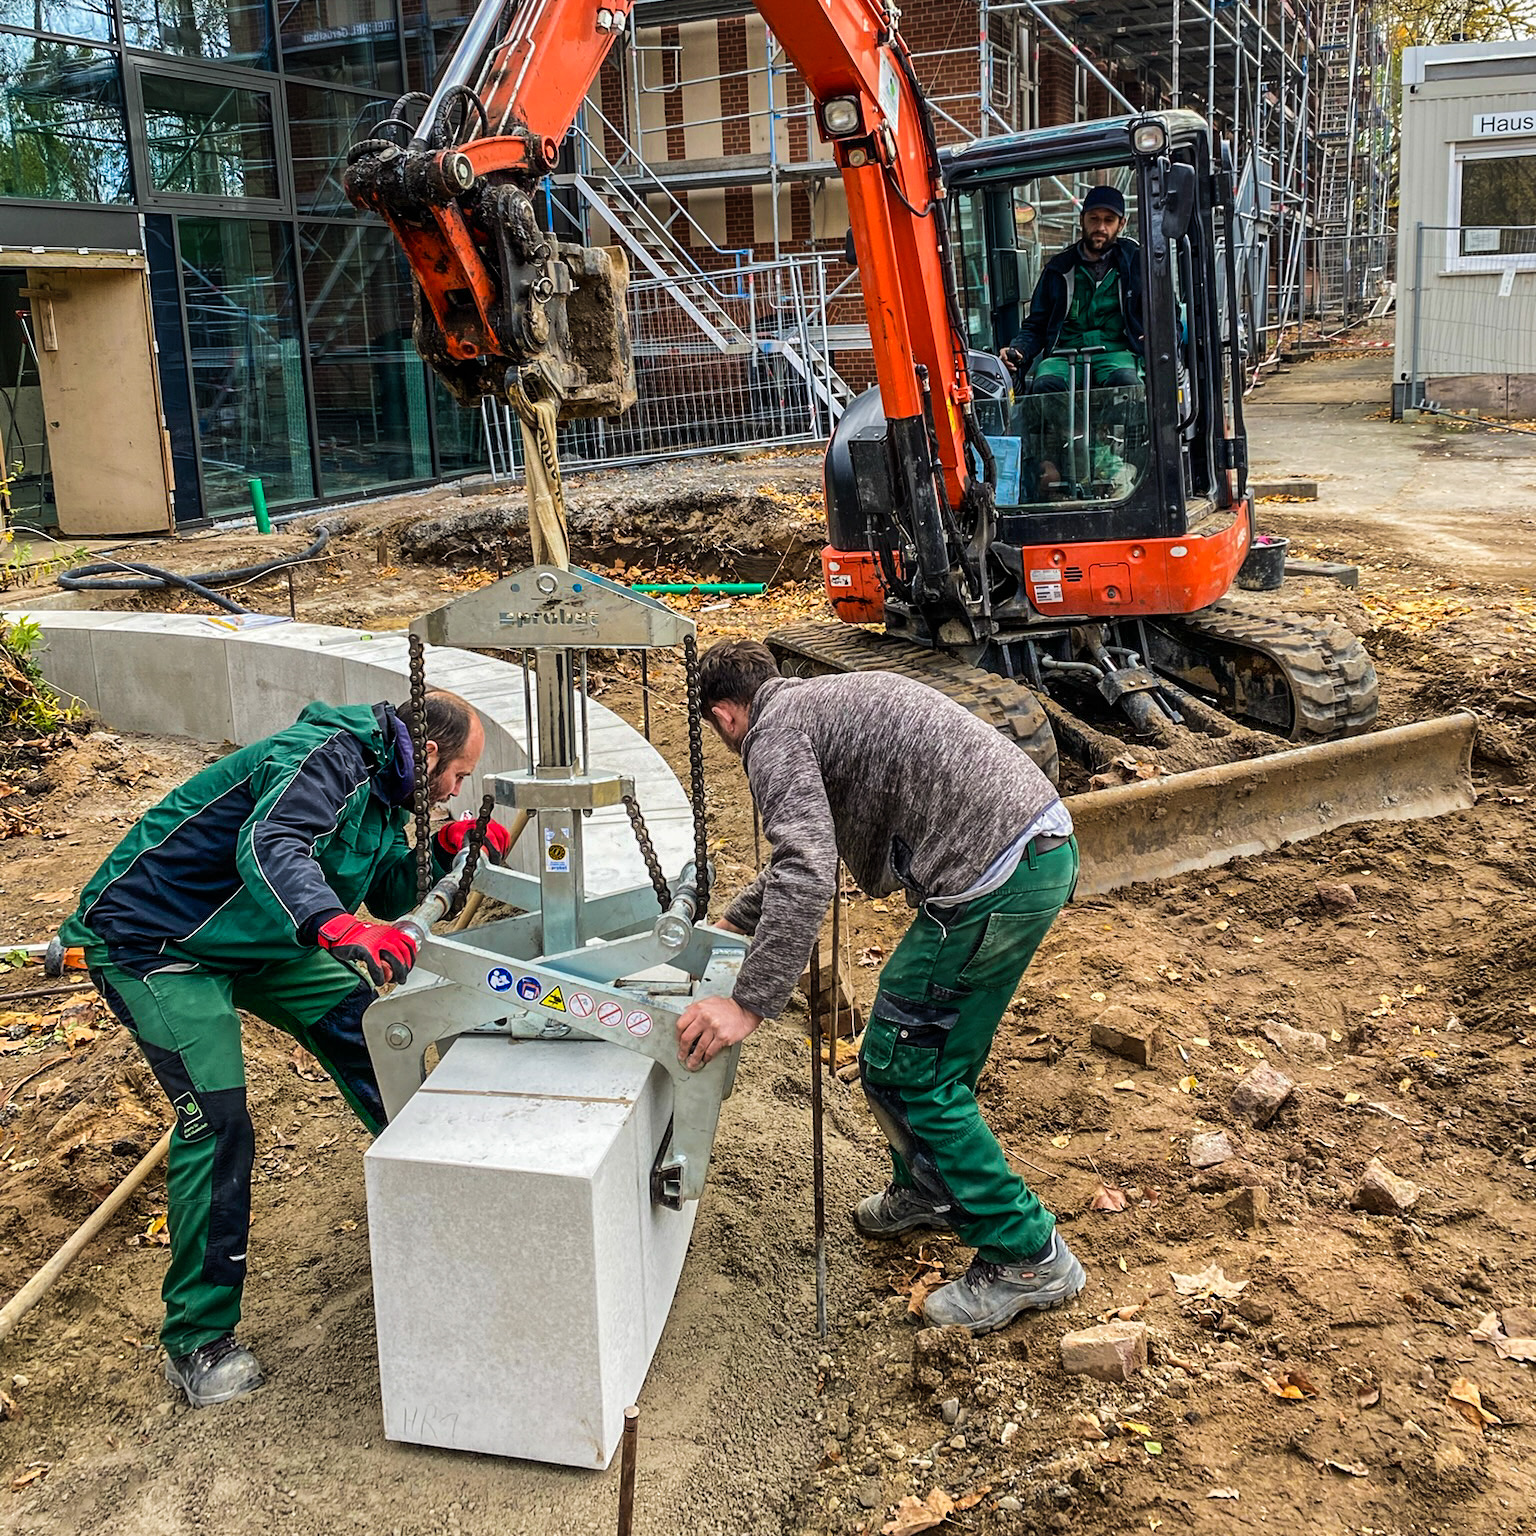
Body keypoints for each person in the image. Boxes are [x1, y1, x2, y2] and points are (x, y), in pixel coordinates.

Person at [60, 690, 511, 1408]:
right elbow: (271, 845)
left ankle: (451, 1194)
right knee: (217, 1121)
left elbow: (387, 888)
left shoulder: (390, 793)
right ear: (426, 753)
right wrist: (336, 929)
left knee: (367, 1029)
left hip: (257, 937)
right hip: (155, 941)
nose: (458, 791)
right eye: (458, 775)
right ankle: (197, 1341)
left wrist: (440, 853)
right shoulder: (328, 755)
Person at [674, 641, 1085, 1335]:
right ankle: (927, 1189)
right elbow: (806, 855)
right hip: (1028, 852)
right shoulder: (813, 707)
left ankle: (1027, 1253)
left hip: (995, 876)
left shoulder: (773, 735)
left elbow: (806, 869)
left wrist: (748, 1004)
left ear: (723, 715)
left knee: (906, 1062)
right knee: (918, 1055)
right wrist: (727, 924)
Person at [1000, 184, 1144, 397]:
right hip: (1064, 355)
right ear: (1082, 219)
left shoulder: (1137, 264)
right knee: (1045, 386)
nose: (1101, 227)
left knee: (1127, 385)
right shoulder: (1058, 269)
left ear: (1122, 224)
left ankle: (1117, 431)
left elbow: (1164, 311)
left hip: (1116, 353)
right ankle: (1066, 431)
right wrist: (1019, 348)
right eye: (1094, 218)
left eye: (1109, 220)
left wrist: (1154, 338)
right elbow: (1037, 324)